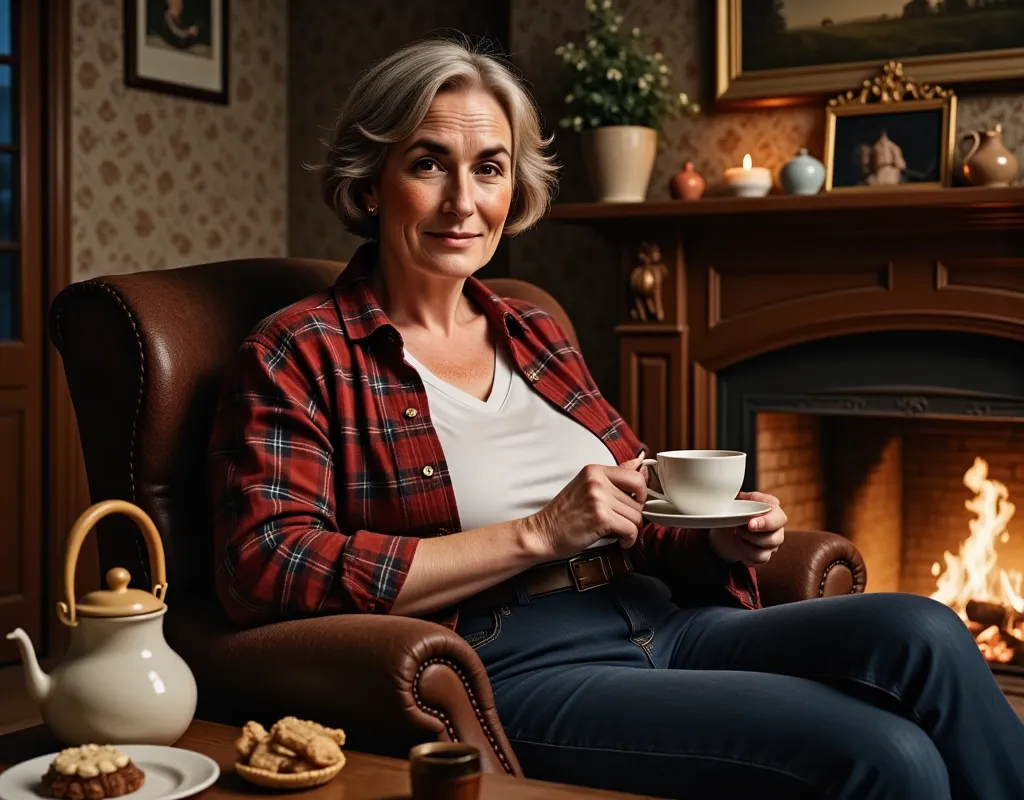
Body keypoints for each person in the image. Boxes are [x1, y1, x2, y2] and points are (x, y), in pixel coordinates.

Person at [207, 36, 1024, 800]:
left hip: (660, 615)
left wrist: (716, 535)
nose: (464, 200)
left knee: (924, 628)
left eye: (489, 169)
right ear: (371, 179)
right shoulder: (299, 350)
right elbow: (267, 564)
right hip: (515, 662)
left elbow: (639, 502)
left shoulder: (531, 328)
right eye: (429, 164)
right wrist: (537, 533)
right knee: (888, 755)